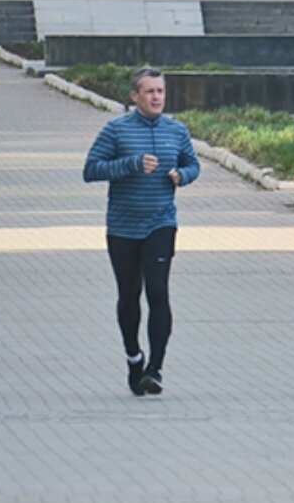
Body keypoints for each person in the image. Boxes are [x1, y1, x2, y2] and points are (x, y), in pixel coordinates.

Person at [83, 67, 200, 396]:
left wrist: (183, 175)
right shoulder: (116, 130)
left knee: (159, 293)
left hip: (160, 222)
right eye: (149, 92)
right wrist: (130, 164)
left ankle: (155, 369)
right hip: (122, 226)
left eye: (160, 91)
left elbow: (193, 164)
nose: (156, 97)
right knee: (129, 295)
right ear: (134, 96)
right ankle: (134, 356)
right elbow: (90, 170)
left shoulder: (175, 131)